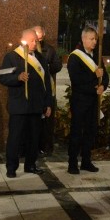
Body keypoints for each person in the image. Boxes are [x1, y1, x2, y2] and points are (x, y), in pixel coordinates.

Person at [0, 28, 52, 178]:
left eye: (36, 40)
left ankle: (30, 165)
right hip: (19, 106)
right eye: (32, 40)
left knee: (33, 138)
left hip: (36, 105)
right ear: (23, 41)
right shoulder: (12, 57)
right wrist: (17, 78)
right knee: (15, 138)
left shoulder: (40, 59)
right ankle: (11, 167)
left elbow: (46, 82)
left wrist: (48, 103)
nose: (35, 43)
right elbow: (3, 78)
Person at [67, 27, 109, 174]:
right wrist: (94, 83)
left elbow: (106, 76)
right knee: (77, 132)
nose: (94, 42)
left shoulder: (97, 56)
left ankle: (86, 161)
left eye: (95, 39)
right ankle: (72, 163)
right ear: (84, 39)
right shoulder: (75, 57)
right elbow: (76, 80)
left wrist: (103, 86)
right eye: (91, 39)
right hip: (80, 101)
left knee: (90, 133)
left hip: (93, 103)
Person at [33, 24, 62, 156]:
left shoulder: (49, 50)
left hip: (47, 87)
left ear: (43, 35)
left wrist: (46, 68)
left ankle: (46, 146)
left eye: (39, 35)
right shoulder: (28, 48)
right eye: (35, 35)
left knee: (47, 120)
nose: (37, 39)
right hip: (34, 90)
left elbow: (57, 65)